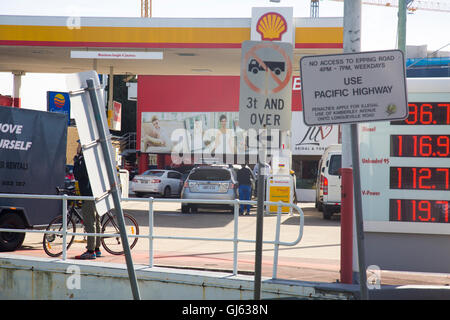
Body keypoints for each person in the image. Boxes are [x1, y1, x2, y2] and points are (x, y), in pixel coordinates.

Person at [73, 141, 101, 260]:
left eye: (79, 145)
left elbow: (78, 175)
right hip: (97, 193)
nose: (77, 147)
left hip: (88, 194)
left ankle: (90, 251)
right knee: (96, 221)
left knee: (90, 223)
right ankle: (97, 248)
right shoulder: (94, 157)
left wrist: (76, 161)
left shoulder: (84, 160)